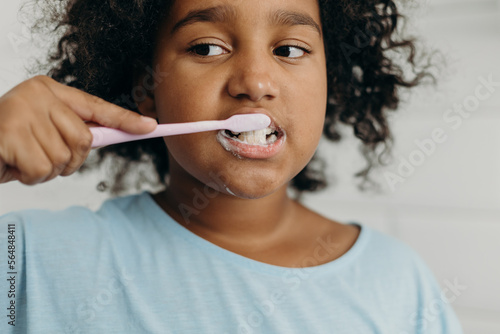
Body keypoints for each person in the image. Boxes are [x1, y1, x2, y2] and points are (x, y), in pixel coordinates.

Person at [0, 0, 463, 333]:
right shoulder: (25, 258)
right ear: (148, 84)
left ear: (331, 82)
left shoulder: (397, 281)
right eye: (206, 48)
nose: (255, 82)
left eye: (290, 50)